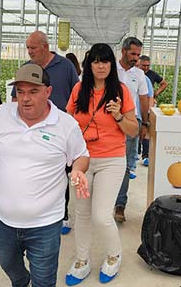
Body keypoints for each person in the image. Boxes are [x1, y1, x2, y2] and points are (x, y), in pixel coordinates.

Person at [0, 64, 90, 287]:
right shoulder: (1, 115)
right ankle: (21, 281)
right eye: (21, 91)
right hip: (3, 219)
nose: (25, 98)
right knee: (7, 263)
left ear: (48, 91)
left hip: (45, 223)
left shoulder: (65, 124)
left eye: (33, 91)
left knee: (44, 280)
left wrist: (78, 169)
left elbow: (81, 155)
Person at [65, 43, 139, 285]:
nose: (100, 66)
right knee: (82, 213)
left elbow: (133, 130)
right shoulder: (78, 90)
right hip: (83, 160)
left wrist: (118, 115)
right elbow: (67, 123)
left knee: (101, 215)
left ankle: (114, 254)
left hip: (111, 160)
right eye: (95, 61)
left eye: (105, 61)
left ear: (111, 65)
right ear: (89, 65)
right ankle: (82, 259)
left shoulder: (121, 91)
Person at [12, 31, 80, 234]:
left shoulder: (65, 66)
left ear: (45, 46)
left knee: (61, 172)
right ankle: (33, 210)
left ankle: (62, 214)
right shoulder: (26, 69)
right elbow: (17, 99)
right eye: (28, 48)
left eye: (33, 48)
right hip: (32, 129)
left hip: (60, 130)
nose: (29, 51)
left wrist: (73, 121)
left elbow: (77, 93)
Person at [113, 37, 149, 223]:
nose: (136, 58)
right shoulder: (111, 69)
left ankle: (120, 204)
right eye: (133, 53)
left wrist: (145, 123)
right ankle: (105, 201)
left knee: (126, 165)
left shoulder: (139, 75)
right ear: (124, 51)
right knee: (106, 162)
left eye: (138, 54)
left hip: (130, 121)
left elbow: (143, 99)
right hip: (109, 122)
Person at [137, 55, 167, 166]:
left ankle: (145, 155)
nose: (145, 68)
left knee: (146, 129)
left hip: (148, 104)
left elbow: (164, 83)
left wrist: (156, 94)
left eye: (147, 66)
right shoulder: (134, 74)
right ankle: (137, 152)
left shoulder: (151, 75)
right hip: (136, 105)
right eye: (143, 66)